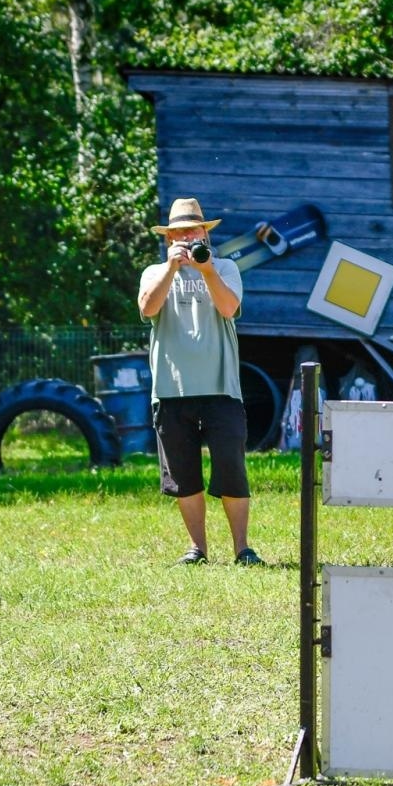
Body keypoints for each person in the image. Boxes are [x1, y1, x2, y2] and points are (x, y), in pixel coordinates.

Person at [137, 197, 263, 567]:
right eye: (180, 233)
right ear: (168, 239)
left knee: (231, 469)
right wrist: (172, 268)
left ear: (205, 234)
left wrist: (206, 270)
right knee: (183, 475)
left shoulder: (225, 268)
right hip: (171, 389)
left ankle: (242, 549)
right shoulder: (154, 272)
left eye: (193, 231)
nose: (188, 238)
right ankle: (197, 549)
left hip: (221, 388)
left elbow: (228, 307)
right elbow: (148, 308)